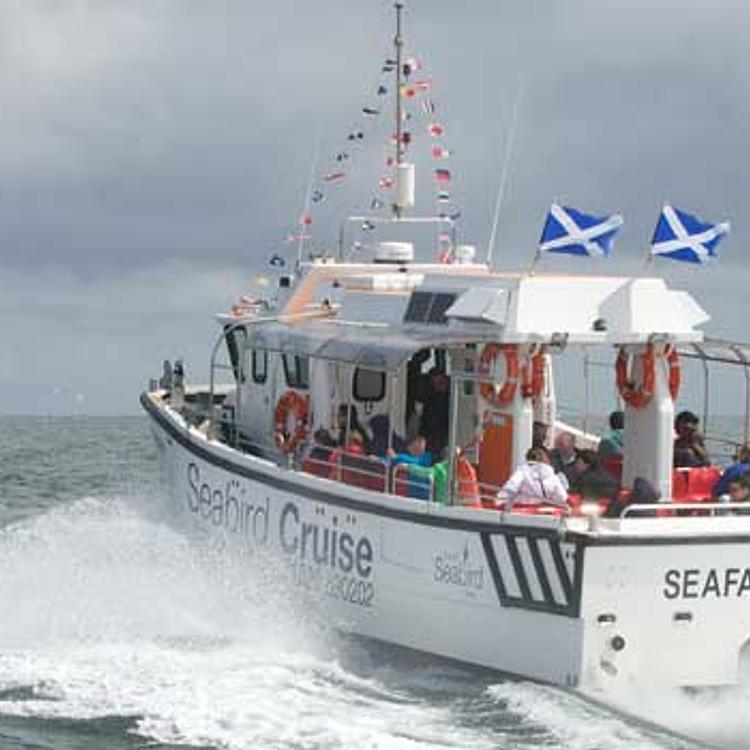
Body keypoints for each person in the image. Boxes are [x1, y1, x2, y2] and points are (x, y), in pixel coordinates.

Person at [497, 447, 568, 508]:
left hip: (524, 510)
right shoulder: (552, 476)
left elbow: (512, 486)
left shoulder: (523, 471)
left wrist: (500, 500)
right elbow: (561, 497)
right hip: (544, 513)